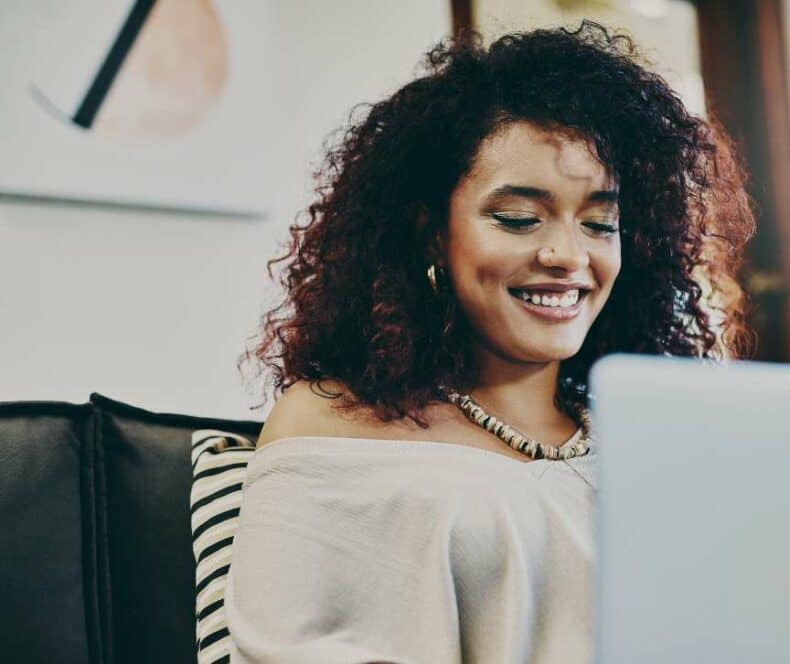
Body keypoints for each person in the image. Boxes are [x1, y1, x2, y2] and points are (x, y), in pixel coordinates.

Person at [227, 19, 755, 663]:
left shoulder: (643, 436)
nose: (567, 254)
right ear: (431, 235)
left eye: (599, 222)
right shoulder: (331, 420)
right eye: (519, 218)